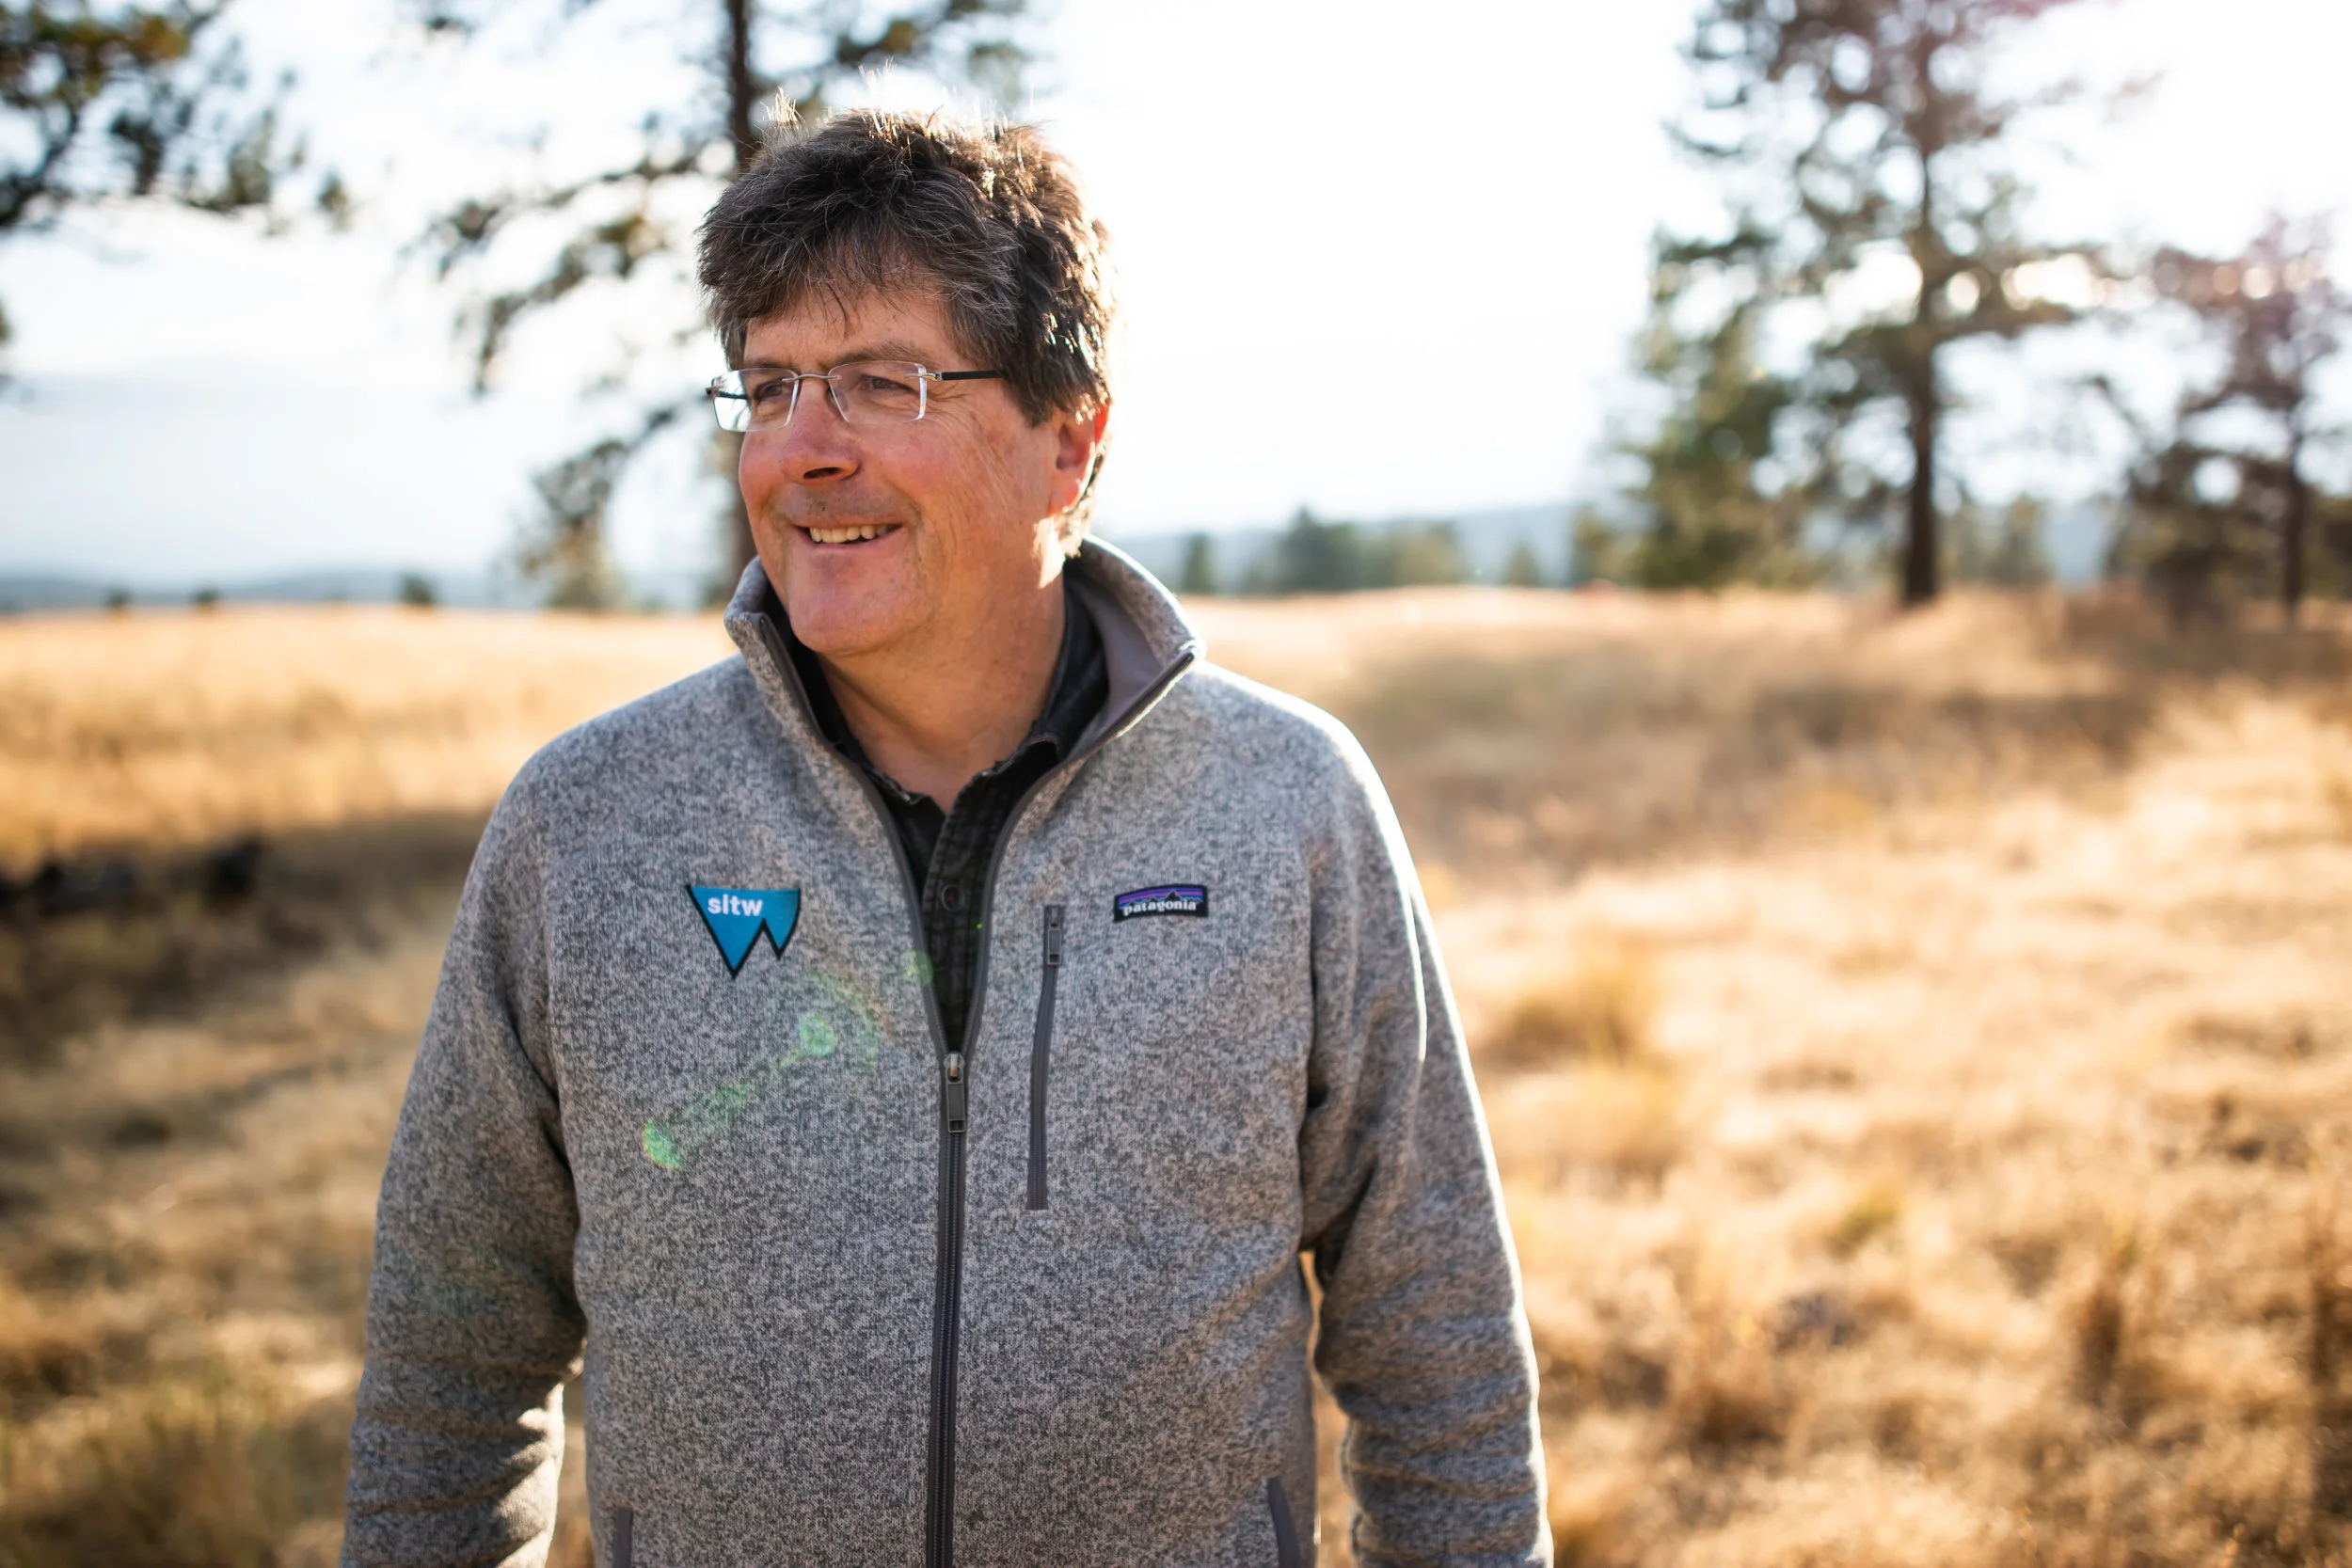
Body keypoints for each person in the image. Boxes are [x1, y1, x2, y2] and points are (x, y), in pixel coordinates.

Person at [342, 110, 1549, 1568]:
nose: (802, 450)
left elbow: (1438, 1354)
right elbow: (450, 1367)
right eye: (770, 387)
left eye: (881, 383)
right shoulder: (585, 826)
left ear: (1069, 443)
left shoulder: (1289, 806)